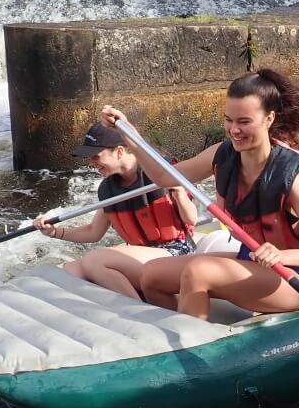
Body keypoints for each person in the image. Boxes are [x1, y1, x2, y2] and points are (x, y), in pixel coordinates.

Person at [100, 68, 299, 321]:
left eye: (244, 122)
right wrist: (128, 133)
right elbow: (163, 176)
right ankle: (187, 327)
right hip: (249, 261)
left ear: (269, 119)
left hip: (291, 276)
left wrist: (281, 255)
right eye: (229, 120)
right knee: (152, 276)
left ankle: (194, 338)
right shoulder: (222, 155)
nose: (234, 130)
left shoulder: (289, 175)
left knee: (199, 270)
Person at [31, 122, 198, 299]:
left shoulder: (161, 173)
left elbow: (191, 219)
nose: (91, 163)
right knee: (71, 270)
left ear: (119, 152)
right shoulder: (110, 188)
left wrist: (179, 192)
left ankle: (136, 308)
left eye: (96, 156)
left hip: (177, 252)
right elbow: (93, 232)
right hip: (144, 255)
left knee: (94, 260)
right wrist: (54, 232)